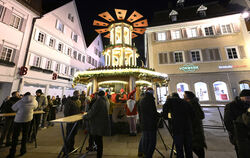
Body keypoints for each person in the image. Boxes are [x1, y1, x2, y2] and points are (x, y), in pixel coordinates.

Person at [7, 92, 38, 158]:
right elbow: (35, 107)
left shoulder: (20, 101)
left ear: (24, 95)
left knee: (15, 136)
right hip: (28, 119)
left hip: (18, 120)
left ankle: (12, 152)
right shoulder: (35, 101)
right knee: (25, 135)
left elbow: (13, 108)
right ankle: (23, 150)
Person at [163, 92, 194, 158]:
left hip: (177, 128)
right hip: (187, 127)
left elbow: (165, 108)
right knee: (188, 148)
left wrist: (166, 117)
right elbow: (192, 114)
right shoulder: (185, 102)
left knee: (179, 148)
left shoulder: (170, 101)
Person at [83, 90, 111, 158]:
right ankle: (99, 154)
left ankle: (99, 155)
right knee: (99, 141)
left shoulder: (99, 101)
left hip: (97, 124)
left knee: (98, 141)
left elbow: (93, 112)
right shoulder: (106, 101)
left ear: (98, 95)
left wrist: (85, 117)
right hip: (102, 123)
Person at [224, 89, 250, 158]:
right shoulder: (231, 106)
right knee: (242, 153)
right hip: (239, 136)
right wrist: (235, 133)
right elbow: (228, 122)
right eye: (247, 98)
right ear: (241, 97)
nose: (249, 100)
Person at [138, 87, 160, 158]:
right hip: (150, 123)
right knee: (151, 140)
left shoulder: (141, 99)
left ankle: (142, 152)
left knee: (144, 138)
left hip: (144, 122)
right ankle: (148, 154)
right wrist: (158, 116)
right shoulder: (150, 100)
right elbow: (153, 112)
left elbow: (140, 111)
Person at [184, 91, 207, 158]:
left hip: (194, 129)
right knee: (196, 145)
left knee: (196, 146)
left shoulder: (191, 104)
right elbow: (201, 115)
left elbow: (199, 116)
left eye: (184, 95)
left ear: (188, 97)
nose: (183, 96)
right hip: (195, 128)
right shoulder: (194, 103)